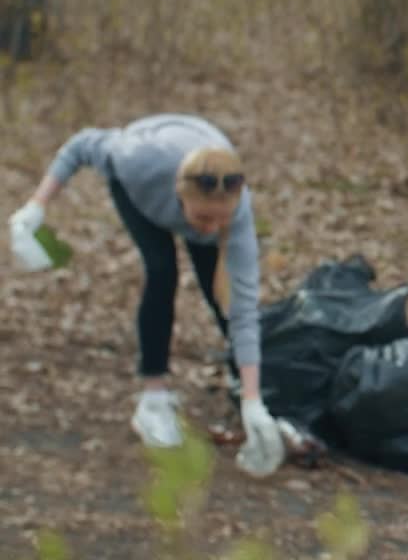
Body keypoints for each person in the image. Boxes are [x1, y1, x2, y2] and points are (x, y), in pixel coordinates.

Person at [7, 113, 285, 476]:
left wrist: (253, 400)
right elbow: (81, 144)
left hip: (193, 159)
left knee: (223, 296)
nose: (210, 229)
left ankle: (249, 391)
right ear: (180, 196)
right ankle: (153, 400)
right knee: (162, 270)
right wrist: (36, 207)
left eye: (220, 220)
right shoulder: (137, 160)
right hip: (143, 190)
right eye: (204, 219)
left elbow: (244, 311)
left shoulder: (235, 214)